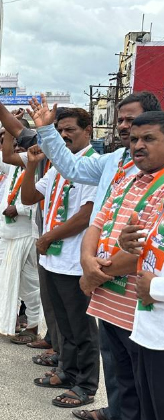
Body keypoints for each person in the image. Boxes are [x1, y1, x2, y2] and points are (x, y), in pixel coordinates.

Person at [36, 91, 161, 420]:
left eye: (134, 123)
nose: (125, 129)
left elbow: (145, 246)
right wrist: (47, 130)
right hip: (107, 286)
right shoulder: (118, 165)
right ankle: (117, 410)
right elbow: (97, 215)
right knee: (117, 362)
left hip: (138, 289)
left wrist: (95, 270)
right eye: (122, 123)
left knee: (144, 373)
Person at [21, 106, 100, 409]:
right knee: (63, 325)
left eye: (71, 130)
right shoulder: (58, 167)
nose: (65, 135)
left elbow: (87, 214)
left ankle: (86, 385)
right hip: (52, 258)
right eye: (60, 130)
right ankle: (67, 371)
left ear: (88, 131)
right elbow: (29, 198)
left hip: (74, 260)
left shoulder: (92, 165)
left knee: (81, 327)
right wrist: (31, 165)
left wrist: (50, 236)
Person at [117, 111, 164, 420]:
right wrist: (127, 243)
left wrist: (156, 288)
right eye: (135, 139)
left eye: (149, 139)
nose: (138, 146)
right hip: (148, 329)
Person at [0, 113, 42, 343]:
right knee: (6, 278)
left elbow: (42, 199)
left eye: (20, 140)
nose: (17, 145)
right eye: (14, 140)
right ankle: (2, 320)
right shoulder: (14, 166)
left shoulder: (37, 163)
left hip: (25, 233)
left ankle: (36, 325)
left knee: (30, 284)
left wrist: (20, 209)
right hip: (7, 233)